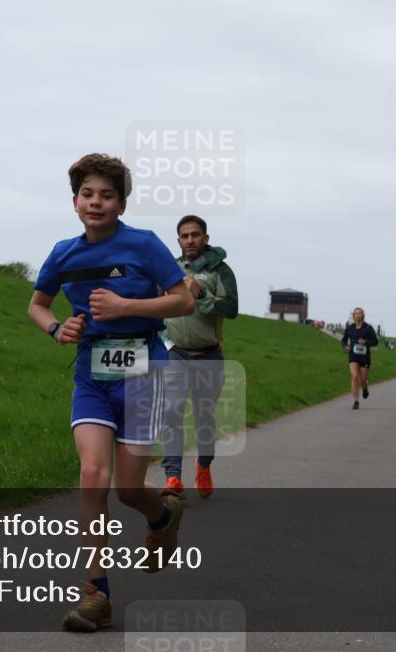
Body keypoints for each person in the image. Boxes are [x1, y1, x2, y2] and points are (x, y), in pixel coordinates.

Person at [27, 153, 194, 632]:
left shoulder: (143, 244)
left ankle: (162, 513)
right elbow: (37, 305)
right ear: (75, 200)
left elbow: (183, 297)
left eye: (106, 194)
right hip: (92, 377)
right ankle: (96, 593)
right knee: (92, 474)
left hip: (146, 372)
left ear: (121, 202)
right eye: (87, 194)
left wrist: (126, 305)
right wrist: (58, 327)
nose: (95, 202)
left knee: (126, 488)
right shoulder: (64, 253)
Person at [159, 215, 238, 500]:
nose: (190, 240)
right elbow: (157, 304)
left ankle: (203, 465)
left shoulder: (221, 271)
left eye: (195, 235)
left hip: (209, 355)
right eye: (184, 235)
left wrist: (201, 291)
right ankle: (172, 477)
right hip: (176, 353)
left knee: (204, 417)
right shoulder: (169, 269)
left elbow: (230, 308)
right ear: (178, 240)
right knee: (172, 410)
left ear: (206, 238)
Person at [342, 307, 379, 409]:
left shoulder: (368, 328)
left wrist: (366, 342)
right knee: (354, 376)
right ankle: (356, 400)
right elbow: (344, 340)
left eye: (359, 313)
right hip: (353, 356)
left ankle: (365, 388)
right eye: (356, 313)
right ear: (353, 315)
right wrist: (345, 346)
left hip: (364, 358)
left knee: (363, 380)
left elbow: (375, 341)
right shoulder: (350, 328)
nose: (357, 315)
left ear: (363, 315)